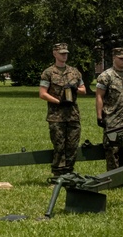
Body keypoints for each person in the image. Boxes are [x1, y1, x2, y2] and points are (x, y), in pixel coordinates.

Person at [38, 43, 86, 179]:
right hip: (56, 116)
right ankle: (57, 174)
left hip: (73, 115)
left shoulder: (74, 72)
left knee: (72, 146)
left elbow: (84, 90)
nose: (64, 55)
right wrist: (59, 101)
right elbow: (42, 93)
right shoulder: (48, 73)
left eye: (66, 53)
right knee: (59, 146)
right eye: (62, 53)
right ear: (55, 54)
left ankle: (69, 173)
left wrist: (75, 89)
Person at [95, 47, 123, 170]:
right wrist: (99, 116)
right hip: (112, 116)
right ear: (114, 58)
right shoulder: (105, 76)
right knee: (112, 147)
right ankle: (113, 174)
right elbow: (99, 96)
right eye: (121, 59)